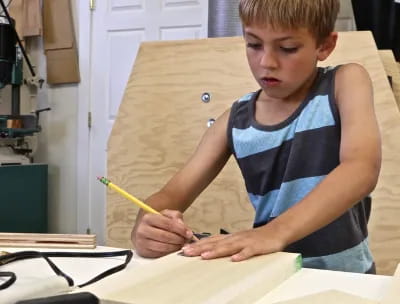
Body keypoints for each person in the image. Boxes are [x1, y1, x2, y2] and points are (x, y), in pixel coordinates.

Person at [131, 0, 381, 273]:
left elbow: (361, 168)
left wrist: (275, 232)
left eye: (287, 48)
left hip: (348, 279)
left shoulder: (344, 82)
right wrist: (146, 228)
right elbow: (172, 194)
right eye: (254, 44)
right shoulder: (235, 121)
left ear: (324, 46)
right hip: (269, 277)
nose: (266, 62)